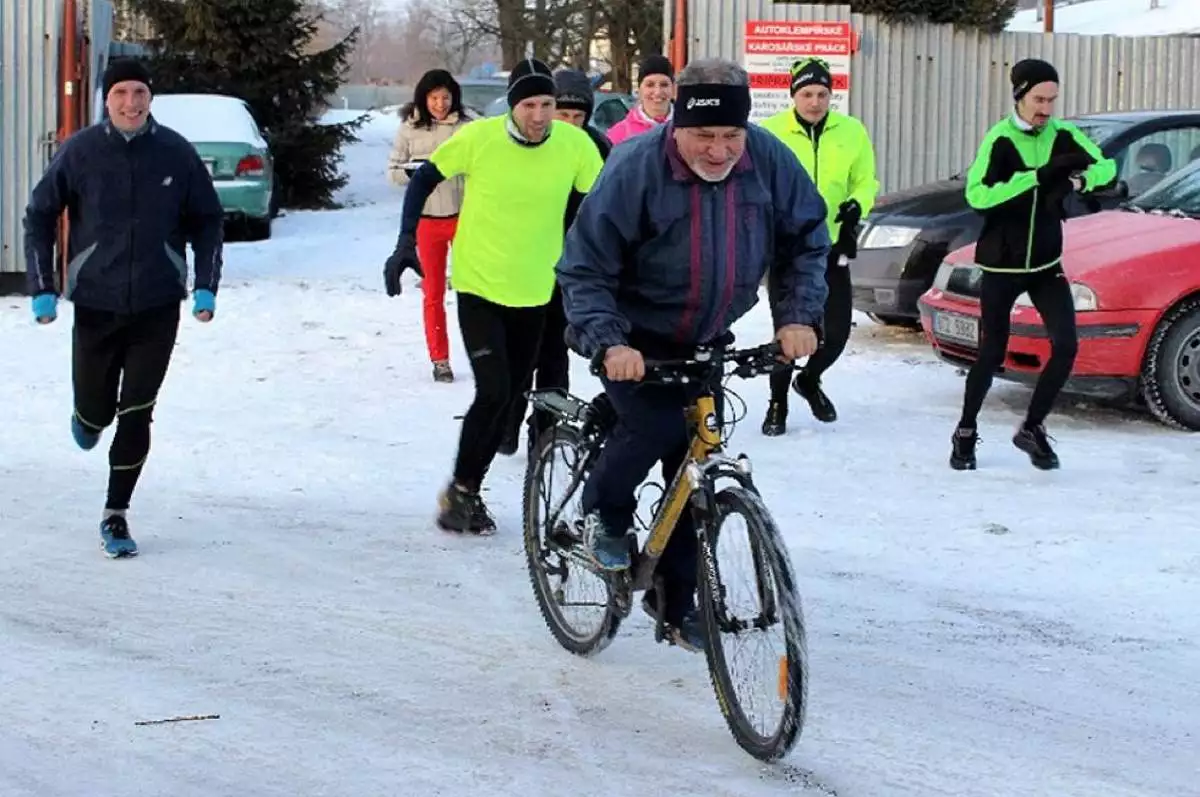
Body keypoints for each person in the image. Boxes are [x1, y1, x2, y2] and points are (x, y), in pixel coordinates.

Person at [556, 57, 829, 650]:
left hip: (706, 336)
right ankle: (603, 512)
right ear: (677, 123)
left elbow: (807, 237)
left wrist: (799, 317)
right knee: (654, 424)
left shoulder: (767, 159)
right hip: (632, 336)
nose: (718, 150)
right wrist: (609, 341)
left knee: (694, 461)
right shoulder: (635, 167)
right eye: (703, 135)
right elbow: (585, 266)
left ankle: (676, 604)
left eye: (731, 135)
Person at [384, 58, 604, 533]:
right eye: (530, 104)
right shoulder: (479, 139)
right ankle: (461, 491)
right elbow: (424, 178)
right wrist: (406, 240)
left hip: (536, 291)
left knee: (512, 396)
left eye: (547, 104)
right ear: (512, 106)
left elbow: (605, 201)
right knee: (495, 390)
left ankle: (467, 492)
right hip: (480, 286)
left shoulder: (574, 144)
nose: (541, 114)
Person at [23, 58, 224, 558]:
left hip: (157, 305)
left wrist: (205, 285)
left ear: (149, 97)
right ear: (106, 100)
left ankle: (116, 513)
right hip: (95, 303)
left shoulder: (175, 153)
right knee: (95, 414)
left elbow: (207, 220)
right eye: (121, 94)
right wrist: (43, 285)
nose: (131, 103)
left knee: (137, 412)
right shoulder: (81, 152)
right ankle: (87, 418)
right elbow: (39, 215)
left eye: (139, 93)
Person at [950, 58, 1115, 471]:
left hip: (1045, 260)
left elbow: (1108, 167)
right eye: (1038, 99)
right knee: (991, 353)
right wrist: (1035, 177)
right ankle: (966, 430)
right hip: (1002, 263)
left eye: (1051, 100)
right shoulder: (1000, 139)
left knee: (1066, 345)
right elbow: (978, 195)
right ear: (1019, 96)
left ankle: (1032, 427)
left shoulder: (1063, 133)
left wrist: (1079, 181)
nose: (1045, 108)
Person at [760, 57, 879, 434]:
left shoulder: (851, 131)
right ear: (793, 95)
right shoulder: (770, 132)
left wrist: (857, 204)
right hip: (788, 249)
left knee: (837, 332)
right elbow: (757, 185)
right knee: (788, 330)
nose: (815, 102)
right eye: (807, 93)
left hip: (831, 246)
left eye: (823, 94)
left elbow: (866, 181)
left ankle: (809, 380)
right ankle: (777, 401)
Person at [499, 68, 613, 456]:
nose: (571, 124)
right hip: (523, 265)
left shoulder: (597, 149)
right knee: (520, 353)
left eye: (579, 117)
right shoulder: (525, 148)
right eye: (563, 114)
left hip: (573, 270)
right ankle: (509, 418)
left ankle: (545, 430)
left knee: (554, 355)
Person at [386, 68, 472, 383]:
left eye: (446, 97)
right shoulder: (409, 129)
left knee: (472, 290)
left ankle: (481, 352)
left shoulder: (467, 127)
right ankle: (440, 359)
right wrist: (414, 175)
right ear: (424, 97)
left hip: (464, 219)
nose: (440, 104)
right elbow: (392, 171)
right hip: (426, 222)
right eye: (434, 97)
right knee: (433, 293)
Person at [605, 54, 675, 146]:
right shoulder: (618, 135)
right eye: (650, 85)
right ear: (639, 89)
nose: (657, 92)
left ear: (673, 88)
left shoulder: (687, 128)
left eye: (664, 85)